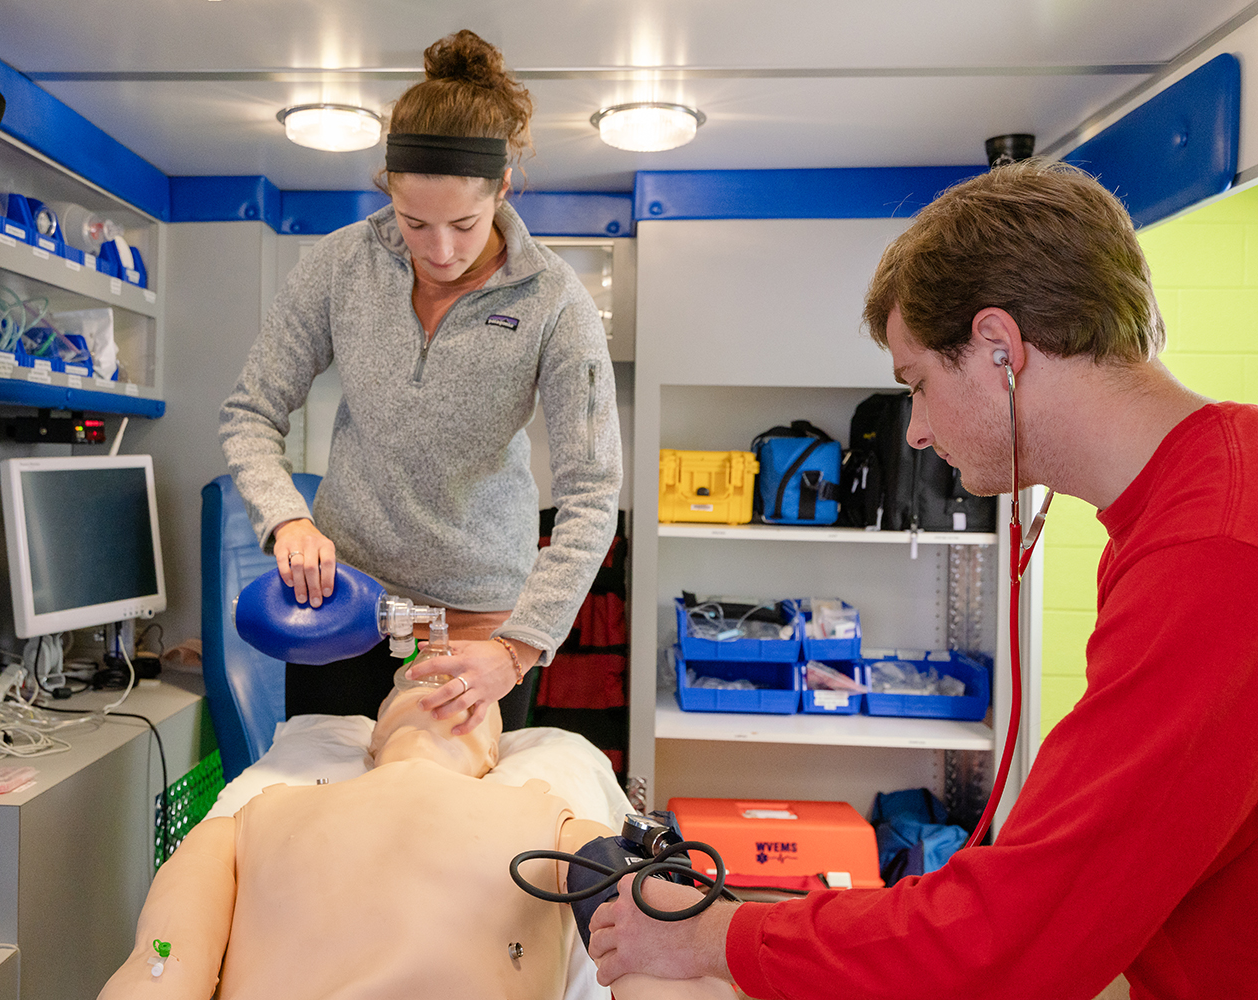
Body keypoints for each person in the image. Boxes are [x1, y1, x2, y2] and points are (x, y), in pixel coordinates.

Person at [586, 159, 1258, 999]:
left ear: (1001, 350)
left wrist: (719, 936)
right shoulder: (1193, 503)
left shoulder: (1215, 553)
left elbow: (1013, 942)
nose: (913, 432)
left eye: (919, 386)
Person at [219, 29, 621, 735]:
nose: (440, 250)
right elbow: (251, 412)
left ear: (501, 189)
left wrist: (517, 649)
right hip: (342, 606)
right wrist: (287, 517)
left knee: (454, 827)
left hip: (479, 628)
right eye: (414, 223)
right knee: (329, 816)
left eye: (465, 223)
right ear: (388, 192)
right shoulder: (340, 265)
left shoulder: (556, 300)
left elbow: (592, 494)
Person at [96, 681, 728, 1000]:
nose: (443, 679)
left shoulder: (556, 826)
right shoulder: (244, 825)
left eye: (473, 697)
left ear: (492, 754)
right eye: (416, 677)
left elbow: (654, 959)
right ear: (373, 739)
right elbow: (159, 970)